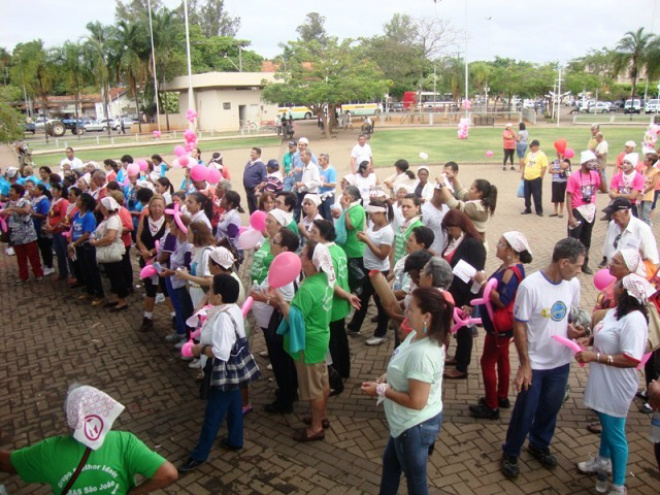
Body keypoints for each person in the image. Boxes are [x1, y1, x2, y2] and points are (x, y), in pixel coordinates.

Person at [501, 238, 585, 479]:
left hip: (560, 362)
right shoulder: (530, 286)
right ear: (564, 262)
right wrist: (525, 364)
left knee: (551, 407)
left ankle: (539, 443)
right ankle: (511, 451)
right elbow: (519, 326)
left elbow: (569, 318)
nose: (580, 270)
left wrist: (574, 330)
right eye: (578, 265)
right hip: (536, 364)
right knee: (525, 411)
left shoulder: (573, 285)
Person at [0, 385, 177, 493]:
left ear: (69, 417)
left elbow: (8, 464)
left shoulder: (48, 450)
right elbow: (168, 474)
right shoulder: (125, 442)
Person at [361, 288, 453, 495]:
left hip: (413, 427)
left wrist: (382, 390)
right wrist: (388, 377)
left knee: (415, 481)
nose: (406, 313)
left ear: (427, 316)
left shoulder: (423, 354)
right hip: (404, 426)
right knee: (391, 464)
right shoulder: (417, 335)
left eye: (411, 309)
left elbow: (417, 400)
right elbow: (405, 368)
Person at [575, 274, 652, 495]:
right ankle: (603, 460)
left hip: (616, 385)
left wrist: (595, 357)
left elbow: (632, 358)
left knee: (615, 432)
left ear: (624, 292)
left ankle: (618, 485)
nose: (613, 286)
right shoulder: (617, 312)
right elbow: (606, 333)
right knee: (608, 429)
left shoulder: (635, 320)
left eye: (617, 284)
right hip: (603, 380)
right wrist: (588, 340)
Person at [178, 274, 254, 472]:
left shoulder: (221, 318)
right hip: (235, 370)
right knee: (235, 401)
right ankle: (235, 440)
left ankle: (199, 454)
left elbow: (221, 351)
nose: (208, 293)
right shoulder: (232, 308)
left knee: (213, 413)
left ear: (219, 297)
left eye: (210, 290)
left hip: (223, 370)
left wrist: (199, 350)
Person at [273, 240, 335, 442]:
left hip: (308, 344)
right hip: (320, 337)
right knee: (322, 381)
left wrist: (280, 301)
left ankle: (316, 428)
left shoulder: (308, 288)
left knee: (314, 389)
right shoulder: (325, 279)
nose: (298, 257)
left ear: (311, 261)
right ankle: (322, 416)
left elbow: (295, 319)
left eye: (302, 254)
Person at [469, 232, 532, 419]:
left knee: (487, 362)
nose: (497, 246)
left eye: (500, 243)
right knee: (502, 358)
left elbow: (503, 301)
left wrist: (483, 284)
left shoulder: (512, 272)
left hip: (500, 326)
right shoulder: (509, 267)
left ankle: (491, 405)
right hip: (503, 326)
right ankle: (502, 396)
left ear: (511, 250)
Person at [252, 229, 300, 414]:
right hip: (271, 323)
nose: (271, 243)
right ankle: (288, 390)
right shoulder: (282, 263)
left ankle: (285, 401)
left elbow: (285, 302)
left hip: (278, 326)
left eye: (275, 242)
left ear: (285, 248)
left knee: (281, 361)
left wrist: (261, 298)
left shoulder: (286, 269)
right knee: (283, 361)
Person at [310, 219, 360, 381]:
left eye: (314, 232)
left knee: (332, 342)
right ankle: (344, 370)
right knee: (340, 337)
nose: (310, 235)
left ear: (323, 235)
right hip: (341, 303)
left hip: (330, 304)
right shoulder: (338, 249)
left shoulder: (323, 253)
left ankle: (335, 375)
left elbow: (330, 283)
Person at [441, 210, 486, 380]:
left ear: (460, 226)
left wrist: (470, 302)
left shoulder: (472, 244)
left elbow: (477, 275)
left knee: (465, 330)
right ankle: (459, 357)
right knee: (459, 330)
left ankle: (462, 367)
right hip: (454, 293)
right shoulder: (455, 240)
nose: (449, 233)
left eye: (451, 229)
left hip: (465, 295)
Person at [349, 199, 394, 345]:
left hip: (379, 272)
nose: (370, 218)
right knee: (362, 298)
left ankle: (381, 333)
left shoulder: (387, 231)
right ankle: (354, 326)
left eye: (372, 215)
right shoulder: (374, 226)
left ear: (381, 213)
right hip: (367, 267)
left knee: (381, 303)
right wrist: (365, 237)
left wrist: (367, 240)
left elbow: (382, 255)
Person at [566, 150, 608, 275]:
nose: (593, 163)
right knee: (573, 240)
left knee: (586, 239)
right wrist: (571, 216)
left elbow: (604, 189)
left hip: (590, 210)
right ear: (584, 163)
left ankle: (584, 264)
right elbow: (568, 197)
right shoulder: (574, 177)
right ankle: (570, 264)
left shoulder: (594, 175)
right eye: (591, 161)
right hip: (578, 210)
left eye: (594, 161)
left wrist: (600, 172)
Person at [136, 195, 170, 332]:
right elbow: (138, 237)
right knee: (150, 290)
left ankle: (174, 318)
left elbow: (165, 243)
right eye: (154, 206)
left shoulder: (167, 222)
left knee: (166, 290)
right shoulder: (145, 219)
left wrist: (151, 253)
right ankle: (147, 318)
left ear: (164, 208)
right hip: (146, 261)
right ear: (150, 207)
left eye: (159, 206)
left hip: (160, 260)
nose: (156, 209)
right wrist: (144, 251)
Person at [90, 197, 128, 311]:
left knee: (117, 277)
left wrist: (96, 242)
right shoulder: (108, 218)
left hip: (112, 252)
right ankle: (116, 298)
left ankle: (122, 301)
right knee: (112, 276)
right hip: (107, 253)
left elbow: (110, 237)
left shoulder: (113, 219)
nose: (100, 208)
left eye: (102, 206)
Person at [601, 198, 659, 269]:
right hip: (613, 274)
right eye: (611, 215)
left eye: (615, 215)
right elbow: (608, 252)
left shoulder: (642, 229)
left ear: (626, 212)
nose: (612, 217)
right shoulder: (612, 225)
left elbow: (652, 261)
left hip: (633, 277)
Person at [3, 184, 44, 284]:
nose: (10, 192)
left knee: (33, 255)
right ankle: (23, 276)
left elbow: (26, 211)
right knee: (20, 257)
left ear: (18, 193)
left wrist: (13, 209)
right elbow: (4, 212)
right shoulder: (8, 203)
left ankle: (38, 274)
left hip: (28, 234)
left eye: (12, 190)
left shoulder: (25, 201)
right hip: (15, 235)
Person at [436, 178, 497, 243]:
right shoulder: (480, 202)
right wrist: (453, 178)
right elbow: (463, 193)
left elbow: (453, 204)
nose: (469, 190)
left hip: (475, 245)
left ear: (479, 193)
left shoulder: (476, 208)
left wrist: (442, 184)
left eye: (472, 188)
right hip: (475, 241)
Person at [336, 185, 366, 292]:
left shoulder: (357, 209)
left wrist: (344, 209)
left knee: (355, 282)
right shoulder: (350, 208)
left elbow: (350, 226)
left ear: (352, 198)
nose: (342, 197)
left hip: (354, 251)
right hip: (346, 249)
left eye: (345, 194)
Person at [44, 183, 70, 281]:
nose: (53, 191)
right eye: (52, 189)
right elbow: (49, 215)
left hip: (60, 231)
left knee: (65, 252)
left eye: (55, 189)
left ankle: (70, 273)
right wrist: (48, 224)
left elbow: (63, 218)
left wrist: (53, 227)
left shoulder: (64, 202)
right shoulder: (53, 201)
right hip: (54, 231)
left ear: (60, 191)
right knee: (59, 253)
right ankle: (63, 273)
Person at [609, 153, 644, 217]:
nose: (625, 165)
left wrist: (617, 195)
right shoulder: (616, 177)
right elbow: (612, 195)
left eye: (628, 163)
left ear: (633, 165)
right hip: (618, 205)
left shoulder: (639, 178)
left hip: (632, 206)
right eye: (624, 163)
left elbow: (632, 196)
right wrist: (616, 195)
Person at [521, 139, 549, 216]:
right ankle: (528, 208)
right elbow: (525, 164)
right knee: (527, 194)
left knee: (537, 194)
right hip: (527, 177)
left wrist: (541, 176)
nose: (530, 148)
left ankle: (539, 210)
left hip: (536, 177)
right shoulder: (529, 154)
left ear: (536, 146)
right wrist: (523, 173)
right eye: (530, 146)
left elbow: (544, 166)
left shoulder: (541, 155)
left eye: (532, 146)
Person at [242, 147, 266, 214]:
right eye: (251, 152)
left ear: (258, 154)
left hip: (255, 191)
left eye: (253, 153)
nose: (251, 154)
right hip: (248, 190)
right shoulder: (249, 163)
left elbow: (264, 180)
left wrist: (259, 188)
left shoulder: (261, 166)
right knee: (251, 207)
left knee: (256, 208)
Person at [640, 151, 659, 226]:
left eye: (646, 159)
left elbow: (653, 184)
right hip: (641, 195)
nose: (644, 161)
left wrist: (644, 191)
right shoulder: (643, 170)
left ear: (651, 162)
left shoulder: (656, 171)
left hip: (648, 195)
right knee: (640, 215)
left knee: (646, 214)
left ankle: (648, 232)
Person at [318, 153, 336, 220]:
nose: (319, 161)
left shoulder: (331, 170)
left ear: (325, 161)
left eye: (320, 160)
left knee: (329, 216)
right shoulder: (318, 169)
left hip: (328, 197)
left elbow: (333, 184)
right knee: (321, 216)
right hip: (320, 195)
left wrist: (322, 184)